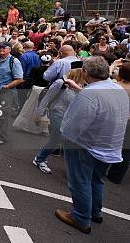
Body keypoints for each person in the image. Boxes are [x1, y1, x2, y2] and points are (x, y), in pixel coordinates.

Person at [55, 56, 129, 234]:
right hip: (110, 145)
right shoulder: (117, 89)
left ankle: (81, 217)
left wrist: (65, 138)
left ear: (86, 72)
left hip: (86, 145)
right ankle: (95, 211)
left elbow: (75, 124)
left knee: (80, 181)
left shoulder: (91, 94)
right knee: (97, 180)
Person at [32, 68, 85, 174]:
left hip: (71, 118)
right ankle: (40, 159)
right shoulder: (61, 83)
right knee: (57, 138)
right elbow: (47, 98)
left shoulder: (83, 87)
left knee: (64, 141)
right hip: (57, 113)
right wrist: (39, 114)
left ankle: (71, 167)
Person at [0, 41, 23, 144]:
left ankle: (2, 136)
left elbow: (19, 79)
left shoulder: (14, 61)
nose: (1, 49)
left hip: (7, 91)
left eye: (4, 47)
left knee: (4, 114)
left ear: (9, 49)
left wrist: (7, 86)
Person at [107, 62, 130, 183]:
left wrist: (111, 67)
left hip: (115, 119)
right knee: (126, 150)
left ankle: (100, 168)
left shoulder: (115, 85)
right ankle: (116, 176)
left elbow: (107, 78)